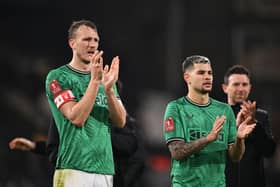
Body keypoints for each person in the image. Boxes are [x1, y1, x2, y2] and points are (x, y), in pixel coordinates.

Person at [45, 19, 126, 187]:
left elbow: (120, 121)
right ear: (72, 43)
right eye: (87, 39)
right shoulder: (58, 77)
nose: (92, 44)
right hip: (73, 168)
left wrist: (110, 90)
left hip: (104, 169)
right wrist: (95, 82)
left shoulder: (104, 79)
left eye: (95, 40)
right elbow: (76, 118)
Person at [163, 55, 256, 187]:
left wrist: (239, 139)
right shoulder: (176, 108)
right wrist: (208, 139)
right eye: (201, 73)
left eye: (209, 73)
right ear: (187, 77)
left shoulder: (224, 110)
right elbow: (176, 152)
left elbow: (235, 157)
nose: (207, 77)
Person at [222, 65, 276, 187]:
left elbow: (269, 151)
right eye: (236, 84)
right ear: (225, 88)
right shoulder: (216, 116)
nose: (241, 89)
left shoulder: (261, 116)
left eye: (244, 84)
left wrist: (254, 124)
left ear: (250, 87)